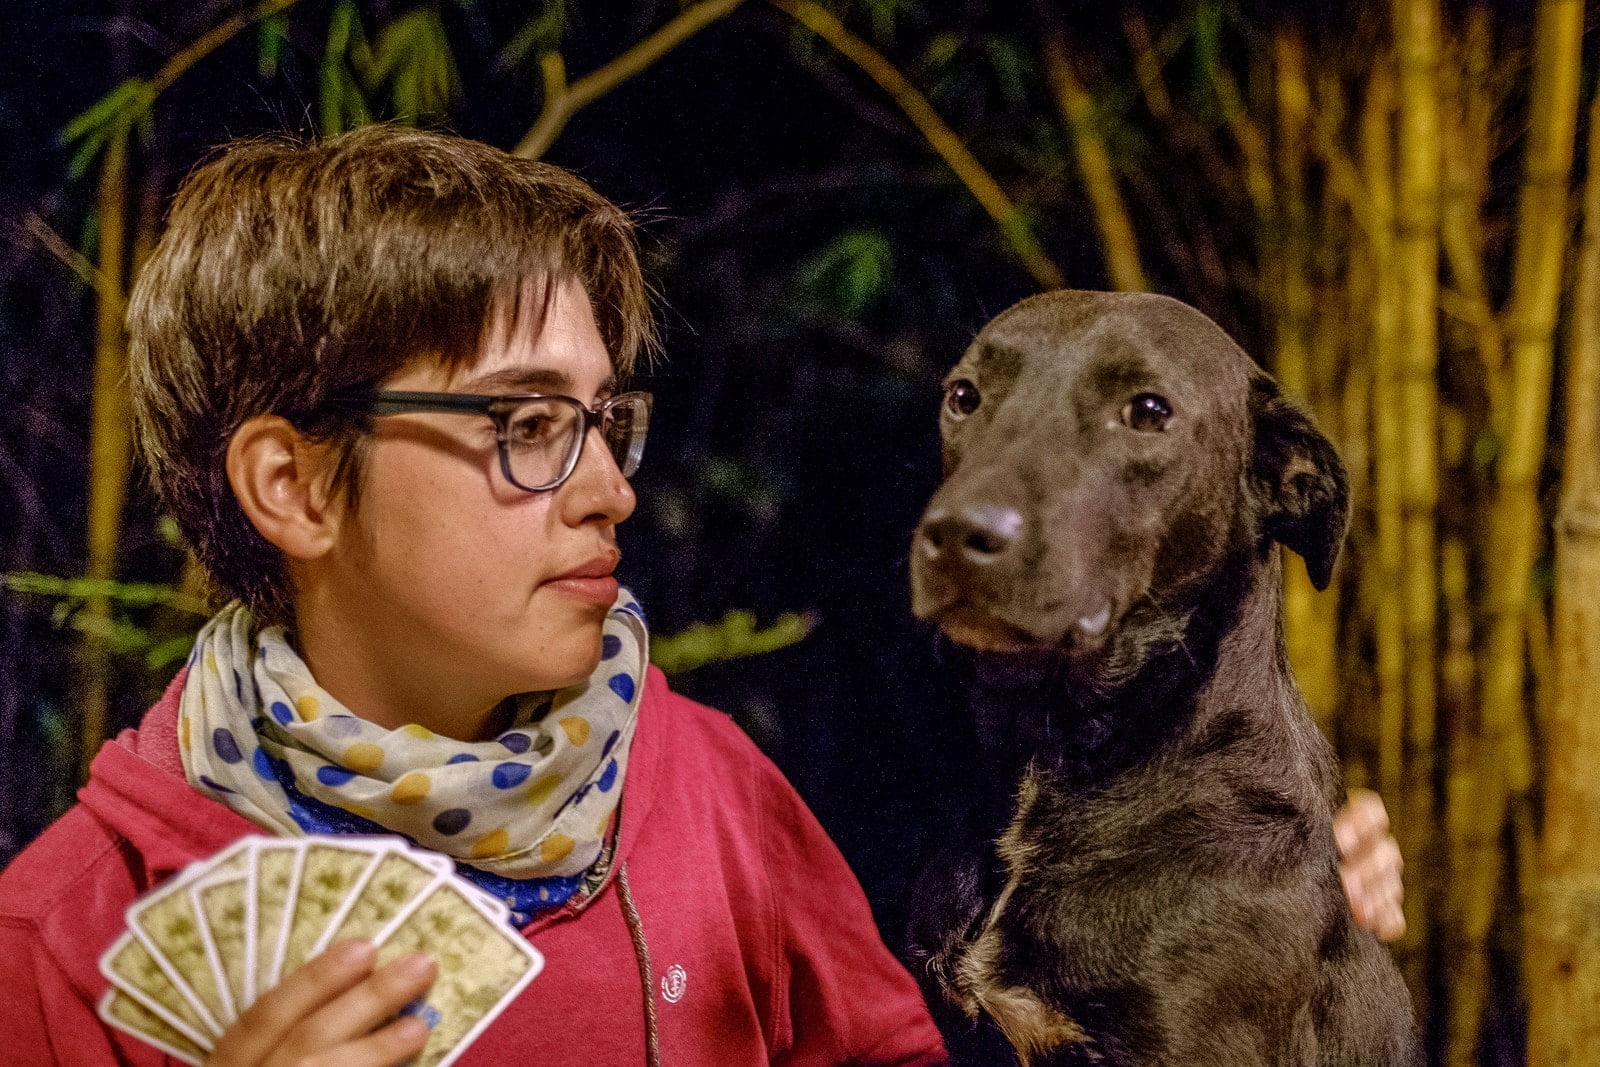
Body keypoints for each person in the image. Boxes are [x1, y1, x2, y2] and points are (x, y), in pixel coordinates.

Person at [0, 124, 1404, 1066]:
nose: (611, 490)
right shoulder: (58, 946)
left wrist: (1256, 958)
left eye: (609, 421)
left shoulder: (709, 791)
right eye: (528, 426)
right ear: (297, 487)